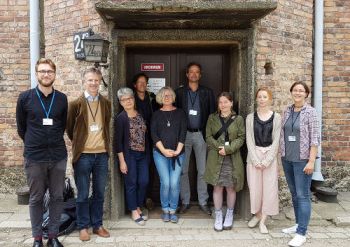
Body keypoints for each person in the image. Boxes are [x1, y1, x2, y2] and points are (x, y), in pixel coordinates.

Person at [16, 58, 67, 247]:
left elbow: (62, 125)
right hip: (34, 156)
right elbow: (22, 128)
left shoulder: (61, 98)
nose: (46, 74)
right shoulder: (25, 98)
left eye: (50, 71)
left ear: (54, 74)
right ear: (37, 74)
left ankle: (53, 236)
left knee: (57, 196)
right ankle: (37, 238)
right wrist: (34, 142)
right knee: (36, 197)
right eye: (42, 71)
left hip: (58, 155)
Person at [66, 67, 111, 241]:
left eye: (96, 80)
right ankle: (83, 226)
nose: (93, 83)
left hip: (101, 155)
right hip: (83, 155)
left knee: (99, 192)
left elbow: (106, 126)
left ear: (100, 82)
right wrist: (81, 144)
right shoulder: (75, 104)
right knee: (83, 193)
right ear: (84, 82)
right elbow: (70, 130)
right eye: (90, 80)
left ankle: (98, 225)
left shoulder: (106, 103)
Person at [280, 81, 320, 247]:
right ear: (291, 92)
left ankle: (301, 233)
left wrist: (311, 161)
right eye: (295, 90)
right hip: (287, 158)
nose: (297, 93)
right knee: (294, 194)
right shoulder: (287, 110)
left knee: (303, 196)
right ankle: (298, 224)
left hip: (303, 160)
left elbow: (315, 138)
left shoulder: (311, 112)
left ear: (306, 94)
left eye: (301, 91)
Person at [175, 62, 216, 215]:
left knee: (203, 170)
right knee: (183, 170)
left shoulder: (207, 92)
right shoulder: (179, 93)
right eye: (191, 72)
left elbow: (212, 115)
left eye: (196, 72)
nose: (193, 74)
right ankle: (185, 201)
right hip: (183, 135)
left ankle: (203, 201)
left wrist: (211, 137)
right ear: (187, 74)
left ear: (200, 75)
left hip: (201, 134)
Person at [204, 92, 245, 231]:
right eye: (220, 102)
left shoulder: (238, 119)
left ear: (231, 103)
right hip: (216, 157)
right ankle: (218, 215)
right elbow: (208, 137)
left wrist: (228, 149)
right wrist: (219, 148)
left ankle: (229, 214)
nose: (223, 105)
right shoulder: (212, 118)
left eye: (226, 102)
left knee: (231, 187)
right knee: (217, 187)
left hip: (232, 158)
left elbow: (241, 138)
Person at [246, 87, 281, 234]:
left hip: (269, 158)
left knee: (269, 189)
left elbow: (277, 140)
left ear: (270, 99)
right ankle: (257, 214)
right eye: (259, 97)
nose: (261, 99)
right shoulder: (250, 118)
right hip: (254, 157)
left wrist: (267, 160)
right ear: (256, 99)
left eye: (264, 97)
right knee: (255, 189)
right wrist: (255, 159)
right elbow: (249, 139)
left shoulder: (277, 117)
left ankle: (263, 220)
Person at [151, 86, 187, 223]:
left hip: (178, 153)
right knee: (165, 183)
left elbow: (183, 133)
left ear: (173, 97)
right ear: (160, 98)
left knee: (174, 183)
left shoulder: (180, 113)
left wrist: (177, 151)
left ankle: (173, 210)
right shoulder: (156, 114)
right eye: (164, 95)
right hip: (160, 154)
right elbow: (154, 135)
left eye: (169, 95)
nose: (167, 97)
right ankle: (165, 209)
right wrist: (164, 151)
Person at [114, 87, 149, 226]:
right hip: (129, 155)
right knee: (131, 183)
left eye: (130, 98)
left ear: (133, 99)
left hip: (143, 154)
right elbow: (118, 142)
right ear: (120, 102)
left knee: (144, 181)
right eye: (124, 99)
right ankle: (134, 210)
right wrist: (122, 161)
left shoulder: (140, 113)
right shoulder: (121, 118)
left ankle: (138, 205)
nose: (127, 101)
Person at [131, 73, 158, 209]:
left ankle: (148, 197)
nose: (142, 84)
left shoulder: (152, 98)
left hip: (151, 139)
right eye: (139, 82)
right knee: (137, 172)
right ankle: (137, 203)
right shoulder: (131, 99)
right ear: (135, 85)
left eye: (144, 82)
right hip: (136, 140)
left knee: (150, 170)